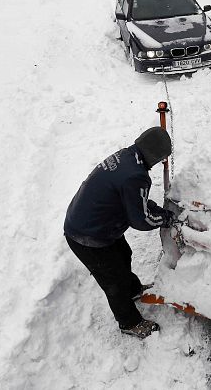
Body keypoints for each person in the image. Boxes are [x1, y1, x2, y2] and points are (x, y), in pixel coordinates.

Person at [64, 127, 176, 339]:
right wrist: (165, 219)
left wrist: (159, 211)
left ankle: (133, 290)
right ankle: (129, 322)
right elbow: (140, 219)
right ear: (155, 155)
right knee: (112, 279)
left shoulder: (128, 156)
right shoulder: (136, 176)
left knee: (123, 255)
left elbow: (133, 201)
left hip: (95, 223)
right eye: (162, 158)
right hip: (87, 236)